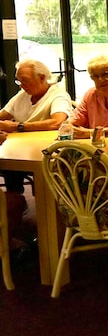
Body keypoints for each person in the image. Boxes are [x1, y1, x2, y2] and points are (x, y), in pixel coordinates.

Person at [0, 59, 73, 259]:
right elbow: (2, 116)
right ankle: (14, 217)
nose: (21, 85)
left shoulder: (57, 94)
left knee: (36, 179)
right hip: (20, 150)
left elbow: (57, 122)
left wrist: (18, 127)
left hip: (48, 153)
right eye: (18, 81)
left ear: (42, 78)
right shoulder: (22, 96)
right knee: (10, 166)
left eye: (24, 80)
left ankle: (47, 231)